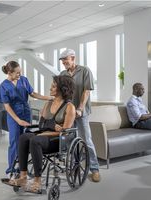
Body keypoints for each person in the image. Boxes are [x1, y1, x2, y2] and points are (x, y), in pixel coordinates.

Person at [7, 75, 76, 193]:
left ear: (62, 89)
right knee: (24, 137)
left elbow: (64, 132)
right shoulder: (48, 104)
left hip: (57, 141)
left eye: (53, 86)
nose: (50, 88)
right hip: (44, 135)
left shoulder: (69, 107)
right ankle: (23, 177)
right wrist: (52, 126)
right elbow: (41, 125)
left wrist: (48, 129)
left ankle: (37, 181)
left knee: (35, 140)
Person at [0, 61, 52, 176]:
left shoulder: (23, 80)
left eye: (20, 72)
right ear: (9, 72)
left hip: (26, 113)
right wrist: (18, 120)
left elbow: (33, 94)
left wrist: (48, 97)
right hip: (13, 116)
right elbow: (7, 106)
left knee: (26, 140)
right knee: (14, 142)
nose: (19, 74)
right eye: (17, 73)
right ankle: (11, 169)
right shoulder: (3, 86)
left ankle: (23, 168)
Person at [59, 49, 100, 182]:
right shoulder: (62, 74)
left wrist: (80, 108)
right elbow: (62, 94)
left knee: (86, 140)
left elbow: (86, 91)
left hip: (81, 112)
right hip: (69, 112)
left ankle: (95, 169)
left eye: (66, 59)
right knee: (71, 141)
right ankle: (76, 166)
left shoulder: (84, 70)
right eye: (62, 60)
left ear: (73, 58)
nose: (64, 62)